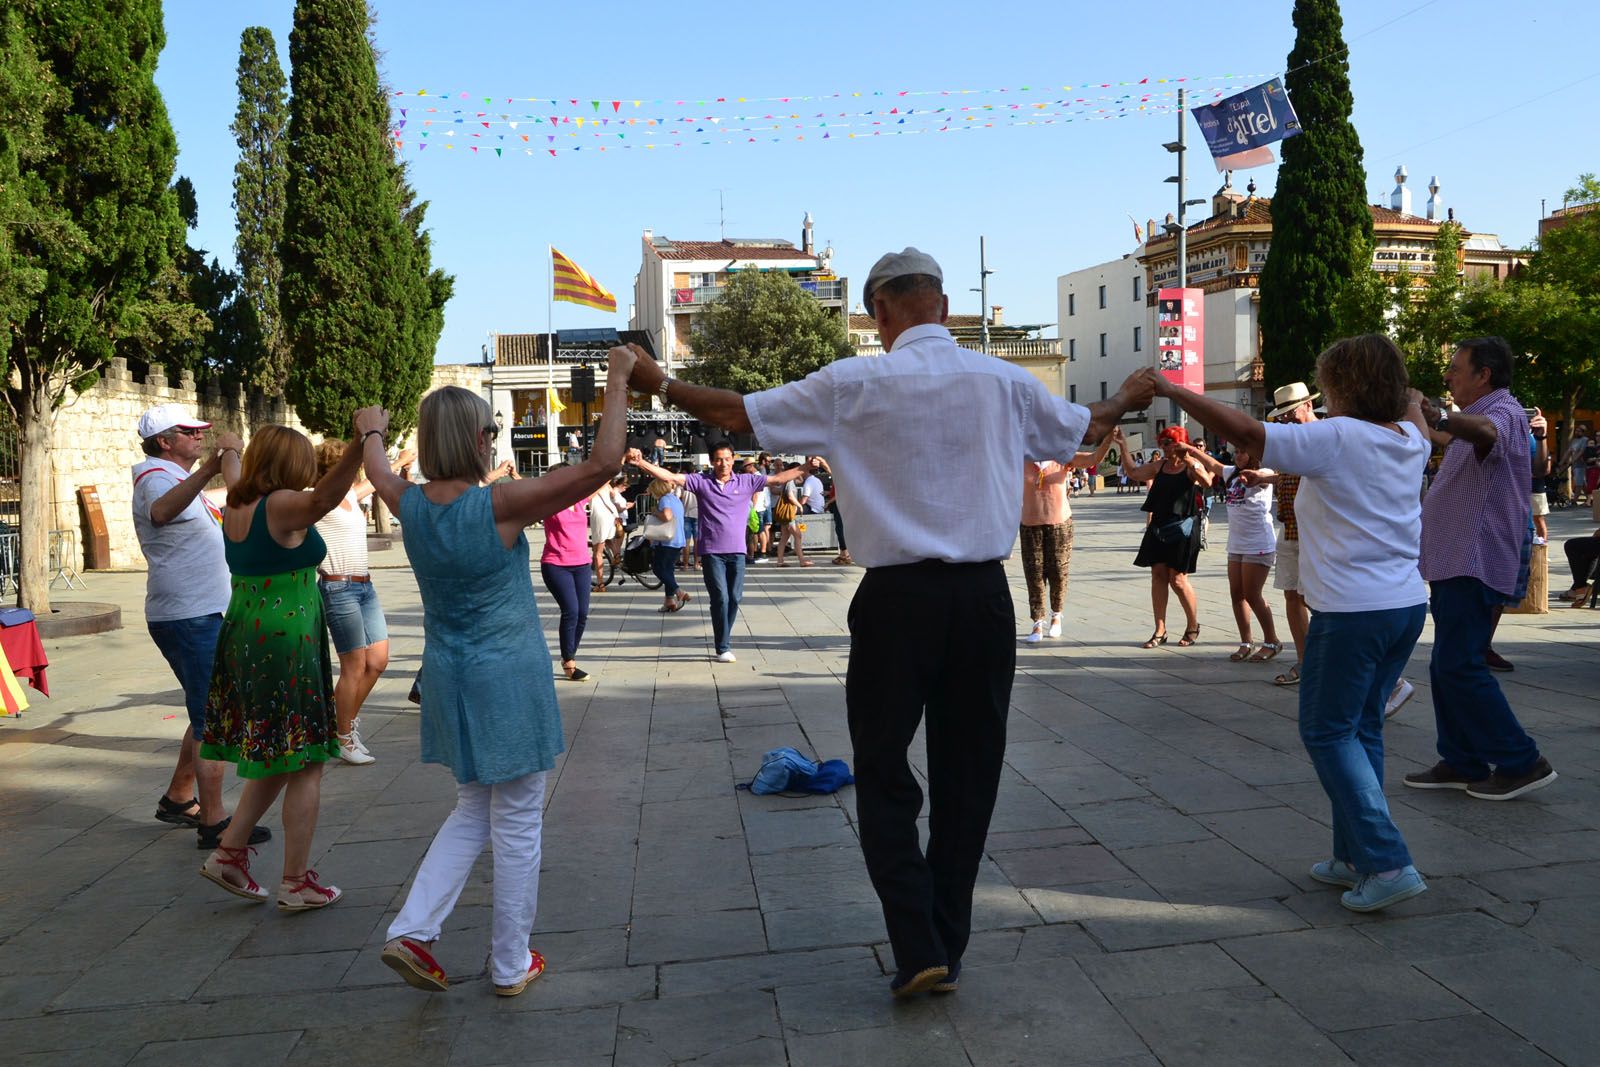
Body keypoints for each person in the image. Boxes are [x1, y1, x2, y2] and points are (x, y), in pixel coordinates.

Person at [623, 247, 1153, 995]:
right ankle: (947, 938)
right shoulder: (1003, 381)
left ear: (878, 316)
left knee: (879, 766)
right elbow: (1086, 422)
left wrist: (659, 381)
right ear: (941, 306)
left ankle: (918, 940)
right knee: (969, 777)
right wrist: (1130, 394)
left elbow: (739, 413)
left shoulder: (853, 382)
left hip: (896, 601)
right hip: (980, 600)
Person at [370, 350, 636, 997]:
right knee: (516, 819)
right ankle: (509, 961)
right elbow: (603, 464)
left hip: (450, 677)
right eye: (489, 430)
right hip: (506, 679)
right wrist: (620, 377)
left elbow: (378, 468)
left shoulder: (410, 504)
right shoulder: (499, 505)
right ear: (474, 438)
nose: (494, 439)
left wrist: (370, 429)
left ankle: (413, 928)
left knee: (473, 806)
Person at [1145, 335, 1432, 912]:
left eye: (1328, 382)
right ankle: (1353, 855)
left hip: (1353, 611)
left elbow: (1248, 434)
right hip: (1403, 604)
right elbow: (1418, 413)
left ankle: (1388, 861)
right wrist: (1413, 399)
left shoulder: (1340, 436)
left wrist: (1172, 390)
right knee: (1362, 729)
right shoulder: (1410, 438)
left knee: (1327, 731)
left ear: (1343, 386)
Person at [198, 410, 385, 909]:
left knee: (279, 754)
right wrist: (366, 438)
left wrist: (232, 450)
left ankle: (229, 854)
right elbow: (325, 497)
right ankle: (296, 881)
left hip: (246, 635)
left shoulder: (240, 500)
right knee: (306, 763)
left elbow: (234, 470)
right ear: (289, 465)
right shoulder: (281, 505)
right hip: (284, 643)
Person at [1407, 337, 1556, 801]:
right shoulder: (1486, 415)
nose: (1449, 377)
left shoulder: (1505, 413)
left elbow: (1484, 434)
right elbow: (1448, 439)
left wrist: (1438, 415)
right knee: (1446, 664)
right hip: (1456, 558)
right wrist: (1418, 414)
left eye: (1456, 369)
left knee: (1460, 664)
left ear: (1484, 374)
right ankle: (1461, 759)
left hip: (1473, 559)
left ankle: (1521, 760)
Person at [132, 404, 271, 852]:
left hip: (203, 612)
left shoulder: (174, 477)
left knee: (206, 709)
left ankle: (178, 798)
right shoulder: (155, 476)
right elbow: (160, 512)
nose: (199, 436)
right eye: (189, 432)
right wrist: (212, 465)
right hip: (188, 615)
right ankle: (214, 823)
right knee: (212, 717)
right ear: (164, 442)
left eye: (200, 432)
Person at [627, 443, 805, 661]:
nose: (724, 463)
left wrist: (807, 466)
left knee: (735, 597)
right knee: (720, 597)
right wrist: (640, 462)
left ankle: (723, 635)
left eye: (728, 459)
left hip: (738, 551)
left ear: (733, 460)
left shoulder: (746, 481)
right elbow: (671, 477)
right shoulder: (702, 482)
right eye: (719, 459)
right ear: (712, 462)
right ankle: (722, 646)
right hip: (712, 552)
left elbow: (777, 479)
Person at [312, 441, 415, 766]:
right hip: (337, 587)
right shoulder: (320, 497)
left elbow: (374, 482)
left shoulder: (347, 495)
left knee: (379, 661)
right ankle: (342, 736)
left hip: (364, 588)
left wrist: (400, 462)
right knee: (354, 666)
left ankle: (342, 722)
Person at [1180, 442, 1283, 662]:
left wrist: (1257, 477)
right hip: (1236, 543)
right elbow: (1213, 464)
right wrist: (1190, 449)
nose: (1238, 456)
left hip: (1258, 542)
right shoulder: (1231, 473)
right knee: (1236, 594)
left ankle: (1272, 640)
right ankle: (1246, 641)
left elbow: (1265, 479)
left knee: (1252, 595)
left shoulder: (1262, 472)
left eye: (1242, 452)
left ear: (1253, 454)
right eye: (1236, 452)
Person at [1018, 432, 1114, 643]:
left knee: (1058, 572)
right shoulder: (1020, 458)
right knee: (1034, 574)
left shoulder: (1063, 457)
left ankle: (1056, 616)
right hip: (1030, 524)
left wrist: (1107, 440)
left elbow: (1092, 459)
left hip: (1060, 522)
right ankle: (1037, 623)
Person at [1118, 426, 1208, 647]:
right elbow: (1134, 472)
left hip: (1183, 527)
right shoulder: (1160, 466)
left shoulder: (1188, 467)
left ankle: (1193, 625)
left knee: (1177, 580)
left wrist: (1190, 458)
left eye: (1168, 442)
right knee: (1158, 575)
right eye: (1163, 442)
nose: (1164, 447)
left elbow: (1206, 481)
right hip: (1159, 526)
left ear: (1179, 442)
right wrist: (1123, 446)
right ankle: (1160, 629)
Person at [1258, 383, 1319, 686]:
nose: (1288, 421)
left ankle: (1330, 662)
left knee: (1321, 599)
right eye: (1282, 417)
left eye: (1292, 413)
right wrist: (1265, 475)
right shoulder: (1293, 439)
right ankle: (1304, 661)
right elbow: (1288, 473)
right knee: (1291, 595)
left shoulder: (1326, 434)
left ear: (1308, 405)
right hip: (1290, 527)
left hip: (1319, 533)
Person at [538, 463, 594, 682]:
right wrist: (514, 475)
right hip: (556, 564)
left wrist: (623, 459)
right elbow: (527, 493)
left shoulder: (579, 499)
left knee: (582, 614)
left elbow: (601, 478)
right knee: (571, 610)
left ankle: (569, 654)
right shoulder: (549, 503)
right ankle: (569, 662)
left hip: (582, 564)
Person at [649, 478, 690, 612]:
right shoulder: (675, 499)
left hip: (667, 540)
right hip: (678, 539)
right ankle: (669, 600)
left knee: (657, 568)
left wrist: (655, 512)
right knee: (668, 570)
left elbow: (667, 516)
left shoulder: (664, 499)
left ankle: (678, 591)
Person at [773, 463, 812, 567]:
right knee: (798, 535)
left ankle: (780, 561)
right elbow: (790, 496)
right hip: (789, 514)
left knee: (784, 537)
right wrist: (799, 505)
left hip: (786, 514)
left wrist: (797, 473)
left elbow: (800, 480)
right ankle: (802, 560)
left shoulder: (788, 480)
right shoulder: (790, 481)